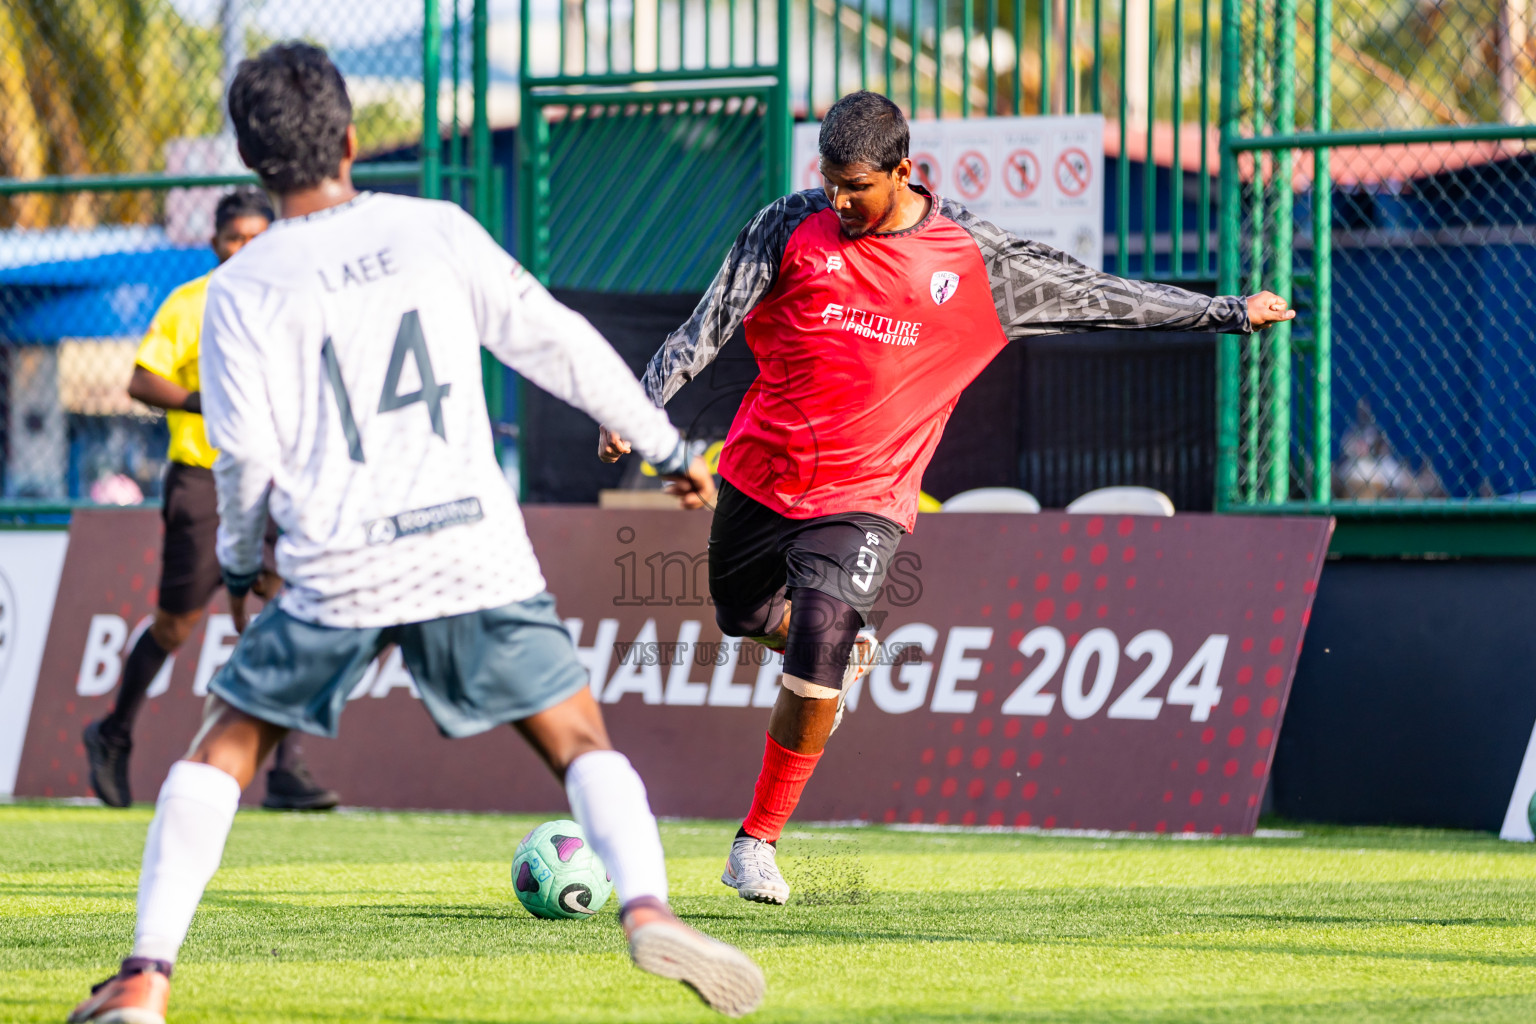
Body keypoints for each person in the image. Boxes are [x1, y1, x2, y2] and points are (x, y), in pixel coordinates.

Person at [69, 42, 761, 1024]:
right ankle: (646, 901)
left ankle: (145, 974)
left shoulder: (238, 291)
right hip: (468, 549)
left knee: (219, 750)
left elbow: (244, 457)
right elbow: (554, 339)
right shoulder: (433, 229)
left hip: (335, 568)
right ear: (352, 138)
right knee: (575, 737)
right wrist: (667, 447)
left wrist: (235, 563)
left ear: (255, 163)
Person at [599, 90, 1297, 906]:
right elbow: (708, 324)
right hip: (761, 475)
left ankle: (756, 841)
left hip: (867, 496)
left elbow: (1101, 295)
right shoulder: (788, 225)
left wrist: (1227, 312)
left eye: (855, 185)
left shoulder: (976, 258)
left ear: (903, 171)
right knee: (742, 615)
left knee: (822, 636)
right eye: (828, 181)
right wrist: (639, 403)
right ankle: (833, 649)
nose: (838, 199)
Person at [83, 188, 340, 813]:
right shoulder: (192, 302)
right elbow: (142, 379)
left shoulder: (292, 303)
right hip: (204, 478)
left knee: (290, 612)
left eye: (258, 236)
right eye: (234, 238)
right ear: (214, 243)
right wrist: (209, 401)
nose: (246, 248)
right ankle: (112, 733)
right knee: (177, 624)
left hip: (280, 479)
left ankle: (287, 769)